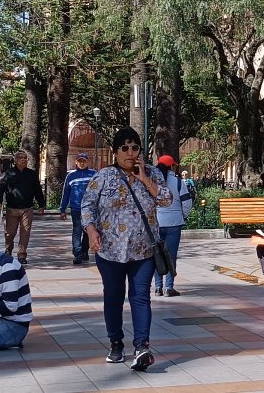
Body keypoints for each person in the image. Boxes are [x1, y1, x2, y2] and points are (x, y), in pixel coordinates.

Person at [81, 127, 172, 372]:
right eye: (125, 148)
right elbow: (87, 206)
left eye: (135, 148)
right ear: (115, 152)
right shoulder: (103, 176)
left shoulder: (151, 173)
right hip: (110, 250)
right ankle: (116, 343)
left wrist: (144, 179)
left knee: (140, 297)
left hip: (143, 251)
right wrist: (91, 230)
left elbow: (166, 199)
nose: (130, 153)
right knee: (113, 297)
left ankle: (142, 346)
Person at [0, 149, 46, 264]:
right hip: (12, 208)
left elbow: (38, 190)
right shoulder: (9, 173)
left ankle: (22, 255)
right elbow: (0, 188)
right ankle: (8, 249)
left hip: (27, 208)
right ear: (16, 160)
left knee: (25, 232)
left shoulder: (32, 174)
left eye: (25, 158)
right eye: (21, 158)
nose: (23, 160)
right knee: (10, 233)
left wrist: (41, 205)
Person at [153, 155, 192, 297]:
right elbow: (187, 202)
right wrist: (182, 215)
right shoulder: (178, 182)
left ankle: (157, 287)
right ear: (172, 167)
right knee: (171, 256)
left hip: (156, 223)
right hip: (174, 223)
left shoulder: (153, 182)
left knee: (157, 255)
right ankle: (169, 287)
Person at [60, 152, 96, 265]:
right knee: (77, 230)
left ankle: (84, 251)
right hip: (76, 208)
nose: (82, 163)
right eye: (80, 161)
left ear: (87, 161)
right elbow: (66, 193)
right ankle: (77, 254)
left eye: (84, 161)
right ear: (76, 162)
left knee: (87, 231)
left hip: (90, 208)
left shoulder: (94, 174)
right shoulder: (71, 176)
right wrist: (63, 209)